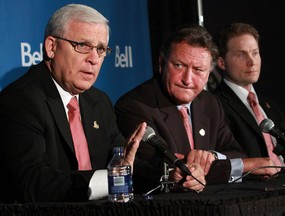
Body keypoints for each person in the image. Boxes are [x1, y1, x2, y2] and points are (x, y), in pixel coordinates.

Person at [0, 4, 206, 203]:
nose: (94, 59)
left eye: (100, 49)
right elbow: (33, 182)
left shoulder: (97, 101)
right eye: (82, 46)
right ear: (51, 47)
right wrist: (112, 179)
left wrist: (171, 176)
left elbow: (125, 163)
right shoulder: (21, 100)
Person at [115, 25, 282, 193]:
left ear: (209, 73)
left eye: (198, 70)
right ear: (161, 63)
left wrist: (212, 156)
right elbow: (160, 170)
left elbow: (235, 152)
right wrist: (245, 166)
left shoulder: (210, 103)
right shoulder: (135, 106)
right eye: (179, 66)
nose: (187, 79)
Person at [213, 22, 285, 167]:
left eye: (255, 53)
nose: (252, 62)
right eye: (241, 55)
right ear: (221, 62)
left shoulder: (269, 104)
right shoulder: (216, 105)